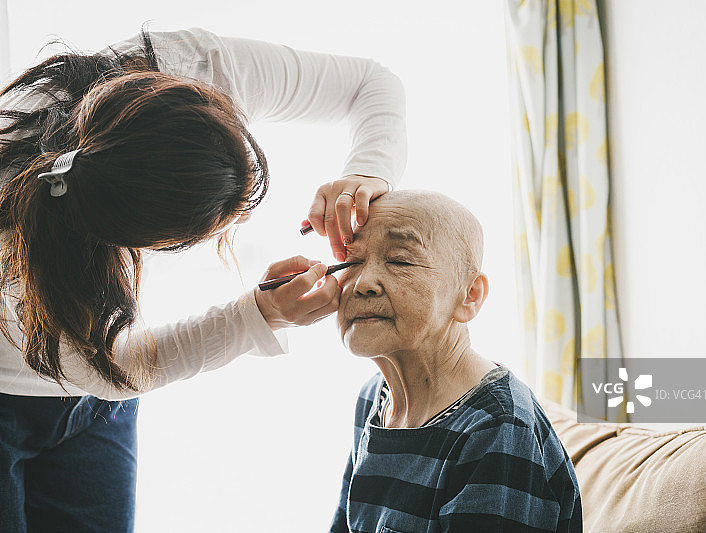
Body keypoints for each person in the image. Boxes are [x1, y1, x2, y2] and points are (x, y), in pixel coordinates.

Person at [0, 27, 406, 532]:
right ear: (134, 243)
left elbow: (372, 83)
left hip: (101, 389)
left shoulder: (195, 65)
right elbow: (122, 367)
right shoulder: (17, 264)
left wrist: (368, 172)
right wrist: (263, 314)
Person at [330, 190, 582, 533]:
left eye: (400, 260)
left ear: (470, 295)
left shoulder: (497, 427)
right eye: (350, 261)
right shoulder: (374, 397)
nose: (362, 283)